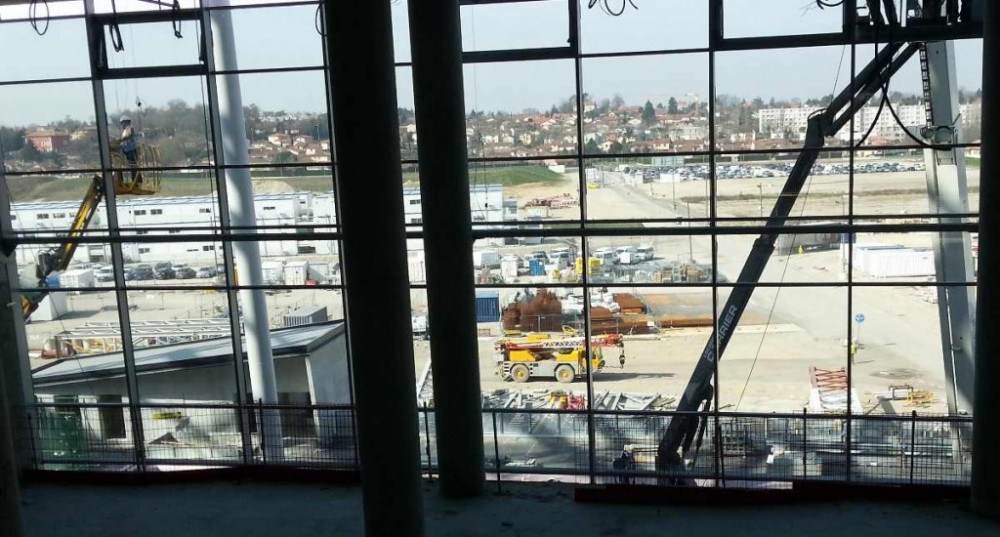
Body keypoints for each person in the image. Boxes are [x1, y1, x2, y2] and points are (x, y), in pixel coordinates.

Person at [113, 115, 142, 185]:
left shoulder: (130, 128)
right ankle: (120, 181)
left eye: (122, 123)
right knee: (120, 164)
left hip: (131, 150)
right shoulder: (124, 131)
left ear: (125, 122)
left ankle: (137, 182)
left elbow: (128, 135)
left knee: (133, 166)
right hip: (125, 150)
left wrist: (120, 140)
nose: (121, 125)